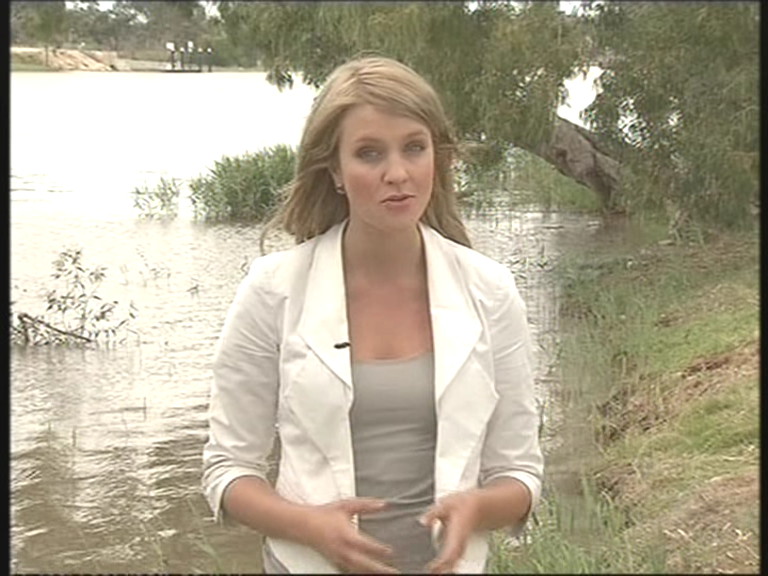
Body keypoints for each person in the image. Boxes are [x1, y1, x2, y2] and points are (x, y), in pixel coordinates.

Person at [202, 55, 543, 574]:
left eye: (414, 147)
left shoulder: (490, 291)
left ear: (439, 158)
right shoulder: (273, 290)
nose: (398, 174)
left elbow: (519, 474)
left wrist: (476, 508)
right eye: (369, 153)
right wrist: (309, 526)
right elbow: (228, 469)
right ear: (334, 171)